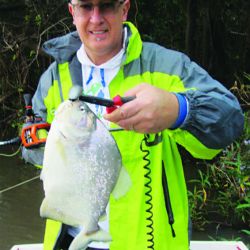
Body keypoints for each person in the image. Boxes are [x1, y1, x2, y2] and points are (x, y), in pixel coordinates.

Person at [22, 0, 244, 249]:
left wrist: (178, 110)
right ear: (72, 12)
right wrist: (36, 144)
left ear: (124, 9)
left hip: (146, 242)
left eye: (106, 5)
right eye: (85, 6)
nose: (96, 18)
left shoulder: (166, 66)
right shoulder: (54, 77)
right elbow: (34, 153)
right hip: (71, 240)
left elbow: (230, 120)